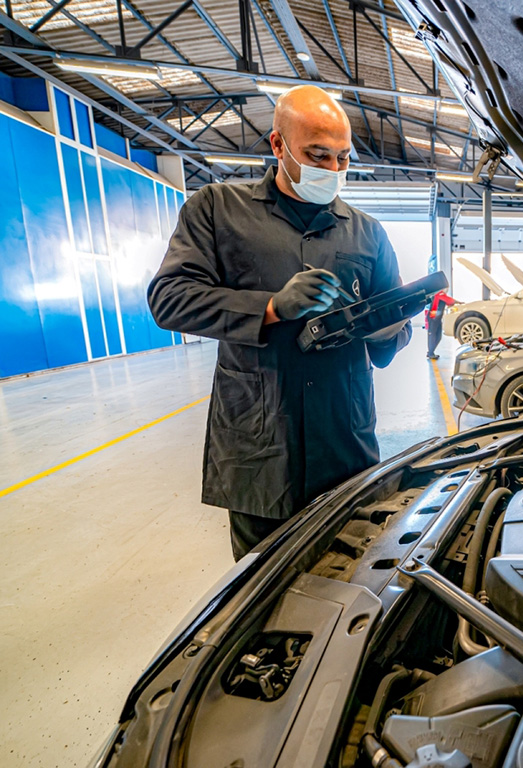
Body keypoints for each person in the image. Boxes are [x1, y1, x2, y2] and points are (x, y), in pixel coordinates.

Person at [148, 85, 411, 561]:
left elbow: (390, 335)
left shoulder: (367, 232)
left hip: (344, 441)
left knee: (349, 578)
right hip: (260, 443)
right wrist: (270, 307)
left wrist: (387, 326)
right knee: (261, 589)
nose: (332, 169)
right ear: (278, 145)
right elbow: (170, 299)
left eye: (342, 159)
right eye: (318, 155)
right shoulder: (216, 210)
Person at [425, 288, 457, 360]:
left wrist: (457, 302)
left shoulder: (442, 295)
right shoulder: (439, 294)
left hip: (437, 318)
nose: (447, 289)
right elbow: (450, 301)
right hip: (433, 317)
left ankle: (431, 352)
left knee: (438, 336)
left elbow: (449, 302)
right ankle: (430, 353)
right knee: (432, 335)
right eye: (446, 288)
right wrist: (457, 302)